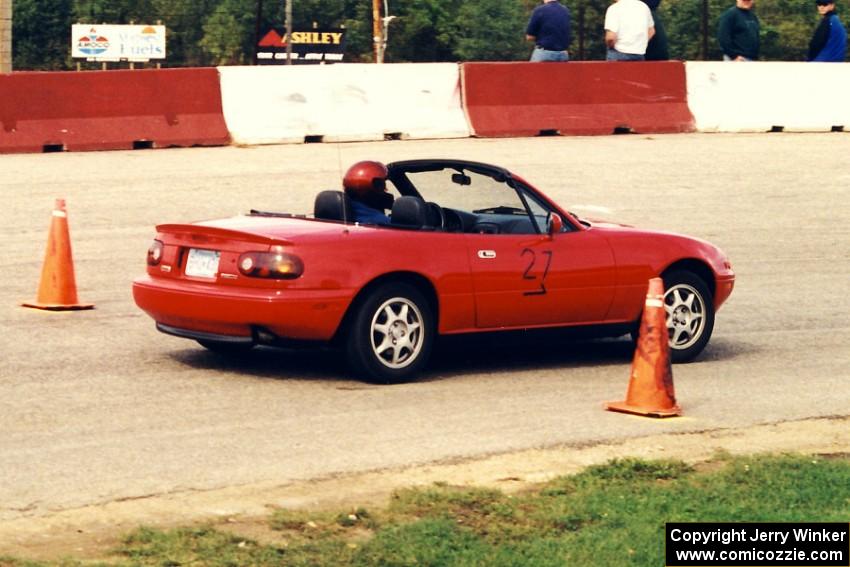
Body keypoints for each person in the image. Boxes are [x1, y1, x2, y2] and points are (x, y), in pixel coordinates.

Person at [343, 160, 392, 225]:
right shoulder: (382, 222)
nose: (386, 191)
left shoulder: (337, 213)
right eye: (382, 186)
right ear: (375, 188)